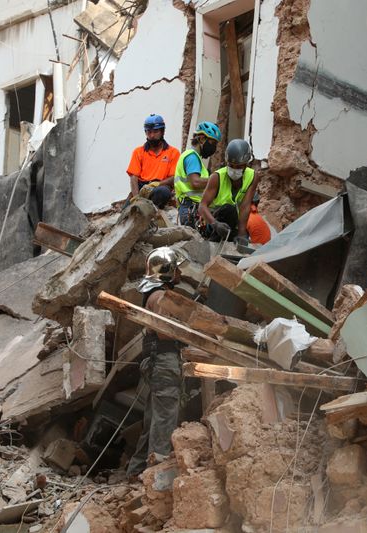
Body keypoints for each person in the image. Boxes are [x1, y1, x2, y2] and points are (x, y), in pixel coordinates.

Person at [127, 247, 186, 477]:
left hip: (156, 362)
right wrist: (187, 329)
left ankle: (137, 472)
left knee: (153, 418)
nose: (180, 272)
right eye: (176, 268)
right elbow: (165, 333)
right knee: (164, 421)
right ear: (167, 271)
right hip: (165, 361)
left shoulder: (151, 294)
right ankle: (156, 478)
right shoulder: (160, 296)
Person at [198, 139, 259, 245]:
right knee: (228, 209)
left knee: (243, 235)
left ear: (246, 165)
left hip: (233, 222)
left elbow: (245, 206)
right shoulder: (217, 177)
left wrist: (241, 234)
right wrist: (215, 224)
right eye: (231, 165)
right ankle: (213, 245)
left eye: (239, 166)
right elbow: (202, 206)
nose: (234, 169)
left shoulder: (252, 176)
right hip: (213, 221)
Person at [125, 114, 180, 209]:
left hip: (161, 186)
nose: (152, 135)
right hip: (142, 187)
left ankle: (148, 209)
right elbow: (134, 177)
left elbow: (173, 177)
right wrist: (136, 197)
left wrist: (157, 184)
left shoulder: (173, 152)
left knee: (163, 192)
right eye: (149, 132)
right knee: (126, 212)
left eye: (155, 131)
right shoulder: (138, 151)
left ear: (162, 131)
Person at [174, 121, 222, 227]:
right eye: (212, 143)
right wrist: (217, 180)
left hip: (190, 208)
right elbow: (195, 182)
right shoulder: (192, 157)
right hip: (191, 209)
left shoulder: (193, 157)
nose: (214, 147)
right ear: (201, 139)